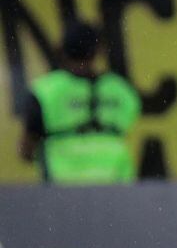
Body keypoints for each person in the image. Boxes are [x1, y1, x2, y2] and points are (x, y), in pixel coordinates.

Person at [20, 22, 141, 183]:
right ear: (98, 51)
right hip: (116, 188)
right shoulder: (121, 90)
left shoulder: (46, 91)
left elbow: (26, 150)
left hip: (64, 193)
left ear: (61, 50)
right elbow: (130, 125)